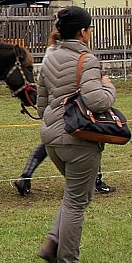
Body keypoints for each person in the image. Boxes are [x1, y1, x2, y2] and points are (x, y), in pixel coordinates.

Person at [36, 6, 116, 263]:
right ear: (83, 32)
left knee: (75, 195)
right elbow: (98, 100)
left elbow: (41, 104)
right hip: (78, 138)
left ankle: (52, 244)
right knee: (76, 202)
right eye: (89, 28)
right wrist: (108, 85)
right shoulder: (87, 59)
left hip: (52, 140)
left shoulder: (49, 57)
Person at [14, 30, 116, 197]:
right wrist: (106, 85)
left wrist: (42, 108)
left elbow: (43, 88)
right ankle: (95, 181)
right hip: (73, 108)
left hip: (53, 110)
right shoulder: (74, 55)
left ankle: (26, 175)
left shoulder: (50, 52)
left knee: (50, 142)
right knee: (91, 136)